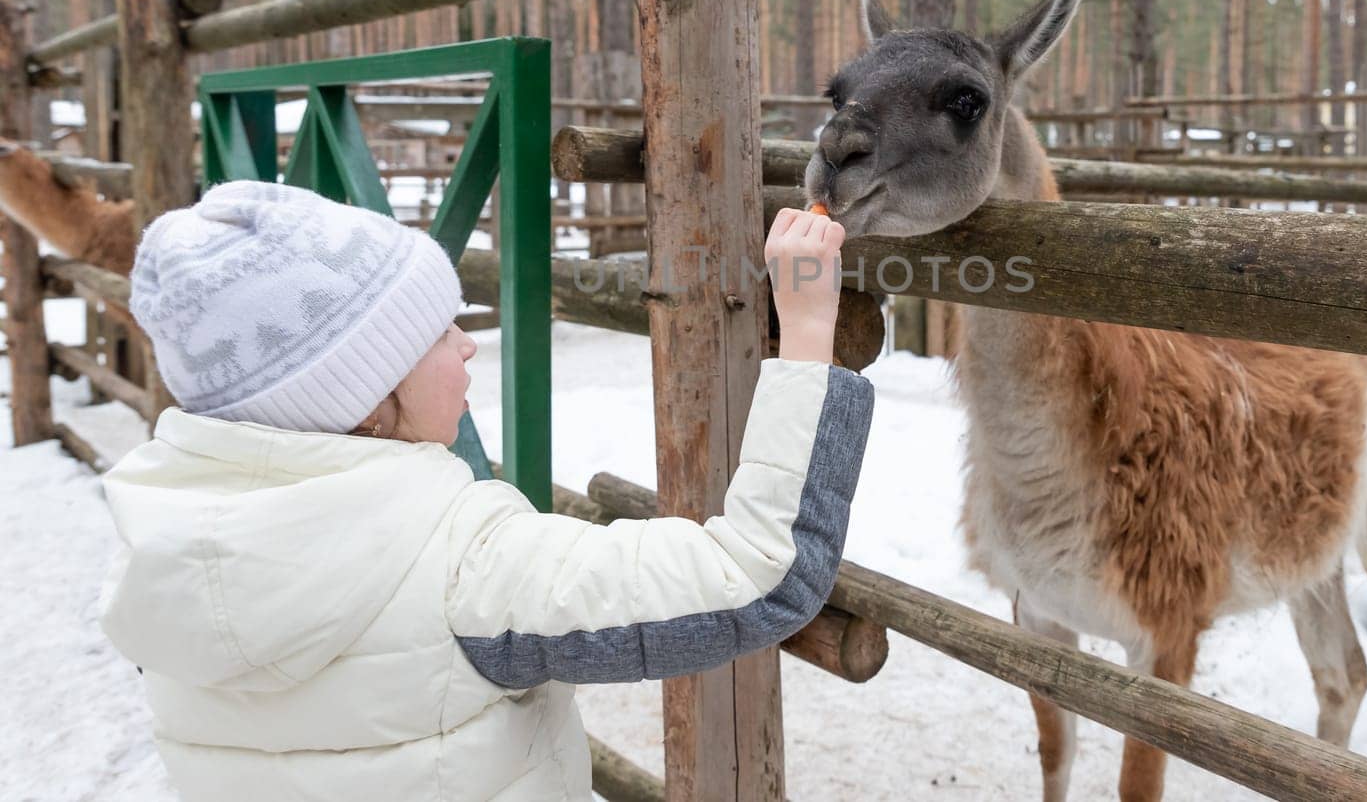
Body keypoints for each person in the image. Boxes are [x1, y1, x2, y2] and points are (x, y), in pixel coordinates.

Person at [98, 180, 874, 801]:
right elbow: (758, 577)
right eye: (436, 333)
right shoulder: (461, 566)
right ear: (362, 396)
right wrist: (807, 329)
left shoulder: (159, 547)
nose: (467, 343)